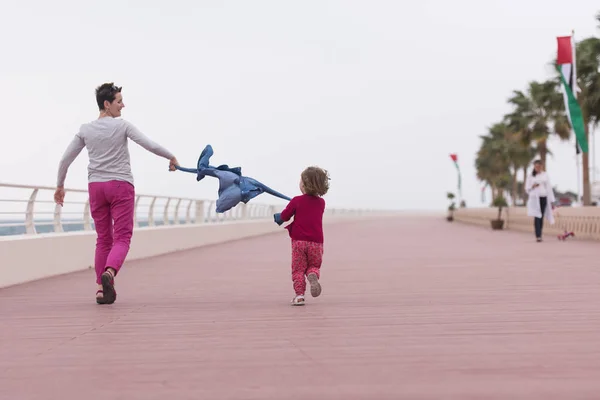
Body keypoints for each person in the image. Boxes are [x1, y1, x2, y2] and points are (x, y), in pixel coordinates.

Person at [54, 83, 179, 304]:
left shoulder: (85, 129)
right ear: (107, 104)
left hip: (96, 188)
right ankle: (109, 274)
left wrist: (60, 186)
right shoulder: (122, 126)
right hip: (120, 186)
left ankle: (100, 290)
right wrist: (171, 156)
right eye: (119, 101)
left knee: (103, 239)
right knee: (122, 237)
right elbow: (148, 144)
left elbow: (66, 159)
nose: (123, 105)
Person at [274, 166, 330, 306]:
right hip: (316, 243)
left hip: (299, 242)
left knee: (298, 269)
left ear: (304, 184)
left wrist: (278, 217)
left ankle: (299, 296)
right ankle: (313, 275)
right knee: (314, 266)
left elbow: (285, 216)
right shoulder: (321, 203)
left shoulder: (296, 201)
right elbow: (310, 208)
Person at [525, 160, 555, 242]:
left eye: (539, 166)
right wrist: (533, 186)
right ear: (534, 167)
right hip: (535, 198)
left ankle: (540, 234)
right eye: (536, 167)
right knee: (536, 216)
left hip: (543, 197)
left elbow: (549, 187)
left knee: (541, 216)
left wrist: (551, 199)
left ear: (541, 167)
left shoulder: (545, 175)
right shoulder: (530, 176)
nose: (538, 168)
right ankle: (538, 235)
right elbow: (527, 188)